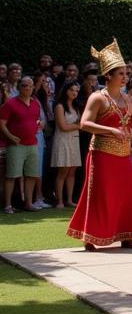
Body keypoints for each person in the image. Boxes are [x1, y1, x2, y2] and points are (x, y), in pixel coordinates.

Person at [66, 39, 132, 249]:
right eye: (120, 73)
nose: (125, 77)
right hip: (101, 154)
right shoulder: (97, 98)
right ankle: (92, 237)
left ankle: (127, 234)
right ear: (108, 76)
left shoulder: (129, 100)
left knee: (130, 193)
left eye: (126, 73)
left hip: (123, 155)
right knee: (101, 195)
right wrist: (111, 130)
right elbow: (85, 123)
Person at [0, 74, 44, 213]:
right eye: (25, 85)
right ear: (19, 87)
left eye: (30, 85)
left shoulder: (35, 103)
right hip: (16, 145)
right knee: (12, 175)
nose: (28, 88)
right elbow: (2, 124)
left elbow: (36, 120)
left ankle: (29, 203)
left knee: (31, 175)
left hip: (32, 144)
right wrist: (11, 137)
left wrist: (40, 124)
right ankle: (7, 205)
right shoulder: (10, 103)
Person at [51, 80, 82, 209]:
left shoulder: (76, 107)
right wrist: (79, 125)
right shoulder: (59, 106)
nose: (74, 93)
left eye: (76, 91)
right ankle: (59, 201)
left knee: (72, 172)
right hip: (62, 141)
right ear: (66, 90)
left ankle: (69, 200)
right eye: (72, 90)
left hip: (74, 141)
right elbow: (63, 126)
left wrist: (78, 125)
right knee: (63, 172)